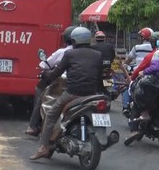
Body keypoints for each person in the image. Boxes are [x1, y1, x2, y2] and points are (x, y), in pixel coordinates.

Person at [29, 26, 103, 160]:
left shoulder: (70, 54)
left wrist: (46, 75)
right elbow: (99, 75)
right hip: (92, 93)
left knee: (51, 115)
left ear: (74, 40)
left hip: (73, 93)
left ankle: (43, 148)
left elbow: (56, 73)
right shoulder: (97, 55)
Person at [25, 25, 75, 136]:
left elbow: (47, 65)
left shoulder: (64, 52)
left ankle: (35, 129)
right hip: (86, 88)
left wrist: (49, 74)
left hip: (64, 85)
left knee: (42, 99)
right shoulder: (92, 53)